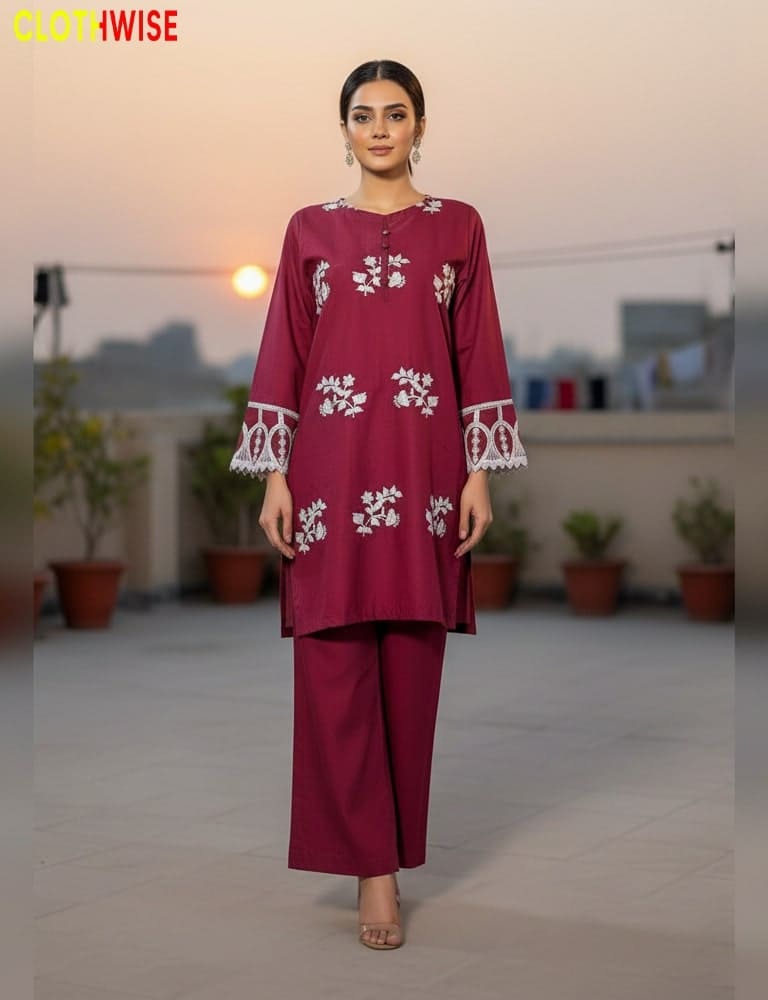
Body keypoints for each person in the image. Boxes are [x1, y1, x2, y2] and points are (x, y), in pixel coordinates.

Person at [230, 59, 528, 950]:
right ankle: (374, 875)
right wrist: (276, 472)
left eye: (396, 114)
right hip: (327, 476)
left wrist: (479, 472)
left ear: (421, 125)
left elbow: (476, 348)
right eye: (363, 116)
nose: (380, 130)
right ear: (346, 130)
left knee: (410, 669)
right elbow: (284, 344)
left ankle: (389, 855)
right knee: (331, 668)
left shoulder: (459, 229)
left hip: (425, 474)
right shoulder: (309, 230)